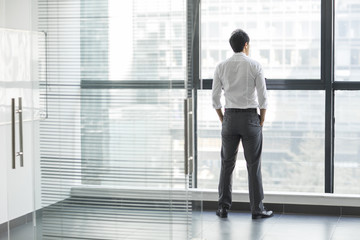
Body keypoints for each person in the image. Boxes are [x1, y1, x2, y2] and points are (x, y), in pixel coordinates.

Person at [212, 29, 273, 219]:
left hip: (229, 118)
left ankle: (223, 207)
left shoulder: (221, 66)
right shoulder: (255, 65)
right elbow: (263, 97)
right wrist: (260, 119)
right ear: (246, 45)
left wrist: (224, 118)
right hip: (250, 119)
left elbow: (215, 98)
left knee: (227, 164)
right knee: (253, 165)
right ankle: (257, 209)